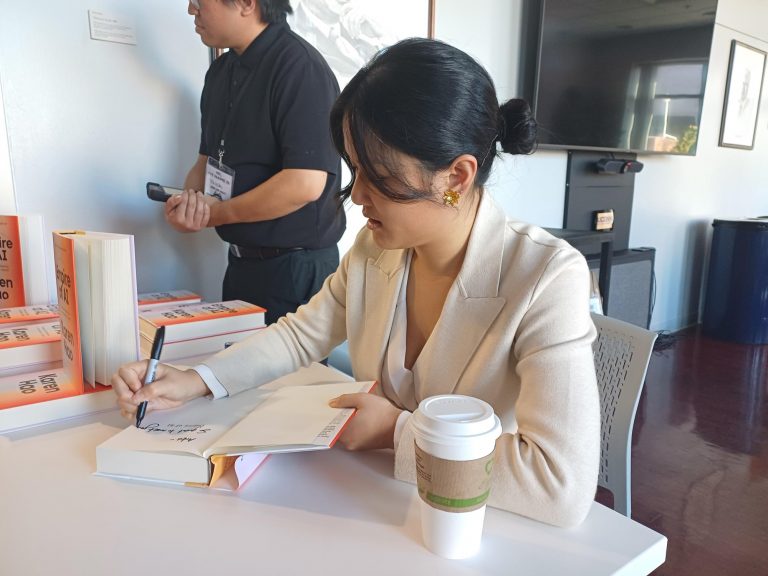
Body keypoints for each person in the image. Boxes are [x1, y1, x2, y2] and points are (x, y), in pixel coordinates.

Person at [114, 38, 600, 528]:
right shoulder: (376, 249)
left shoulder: (545, 277)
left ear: (456, 176)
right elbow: (301, 334)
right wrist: (196, 380)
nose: (358, 196)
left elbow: (560, 483)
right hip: (372, 505)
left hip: (480, 525)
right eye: (355, 169)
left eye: (379, 175)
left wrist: (398, 432)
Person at [168, 0, 346, 324]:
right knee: (228, 371)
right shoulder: (221, 71)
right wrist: (187, 204)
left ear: (247, 4)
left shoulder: (299, 67)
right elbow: (207, 160)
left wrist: (216, 213)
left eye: (199, 0)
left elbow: (304, 183)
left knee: (287, 375)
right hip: (240, 264)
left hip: (294, 268)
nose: (191, 9)